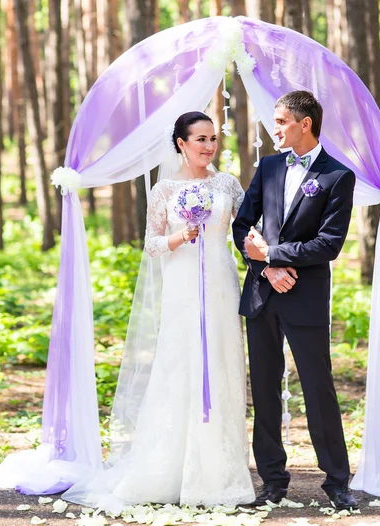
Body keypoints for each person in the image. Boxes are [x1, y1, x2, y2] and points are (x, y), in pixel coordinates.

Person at [62, 111, 255, 511]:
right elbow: (150, 244)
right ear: (181, 144)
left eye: (213, 138)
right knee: (180, 365)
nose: (208, 146)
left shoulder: (228, 185)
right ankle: (170, 469)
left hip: (220, 283)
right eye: (200, 139)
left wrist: (262, 247)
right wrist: (178, 237)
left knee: (221, 367)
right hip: (182, 287)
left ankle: (217, 473)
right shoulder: (164, 190)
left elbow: (246, 228)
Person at [232, 91, 358, 510]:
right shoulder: (267, 167)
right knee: (264, 389)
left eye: (282, 120)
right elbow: (242, 226)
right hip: (262, 294)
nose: (276, 128)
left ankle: (337, 481)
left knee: (318, 387)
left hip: (304, 298)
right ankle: (272, 481)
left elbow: (329, 243)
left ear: (305, 123)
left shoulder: (338, 176)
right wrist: (266, 268)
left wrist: (276, 256)